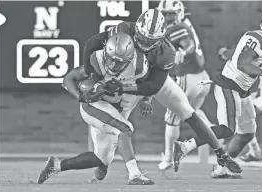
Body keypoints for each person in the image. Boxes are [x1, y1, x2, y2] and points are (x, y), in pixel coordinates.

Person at [87, 8, 242, 178]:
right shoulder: (123, 30)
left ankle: (221, 153)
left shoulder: (166, 51)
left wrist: (131, 92)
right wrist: (94, 77)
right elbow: (91, 45)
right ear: (137, 29)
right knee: (107, 143)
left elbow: (153, 87)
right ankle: (102, 161)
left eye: (150, 40)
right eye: (143, 38)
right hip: (124, 81)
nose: (145, 44)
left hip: (139, 84)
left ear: (161, 38)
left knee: (187, 110)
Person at [37, 32, 154, 185]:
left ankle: (56, 165)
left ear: (130, 59)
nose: (112, 65)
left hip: (112, 111)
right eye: (110, 60)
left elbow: (150, 85)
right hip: (93, 105)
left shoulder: (139, 67)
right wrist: (82, 96)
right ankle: (135, 175)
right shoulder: (97, 60)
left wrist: (147, 99)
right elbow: (68, 79)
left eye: (118, 63)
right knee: (125, 129)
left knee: (103, 159)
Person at [173, 11, 262, 178]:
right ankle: (184, 147)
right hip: (229, 85)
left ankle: (221, 169)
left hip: (242, 90)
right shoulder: (256, 39)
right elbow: (243, 63)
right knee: (227, 129)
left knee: (247, 133)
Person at [156, 0, 212, 171]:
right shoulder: (186, 24)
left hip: (188, 78)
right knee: (194, 115)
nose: (166, 17)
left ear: (178, 13)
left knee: (172, 117)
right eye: (164, 14)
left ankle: (168, 158)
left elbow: (189, 46)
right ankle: (218, 135)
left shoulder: (177, 28)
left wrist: (182, 53)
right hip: (203, 79)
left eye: (170, 14)